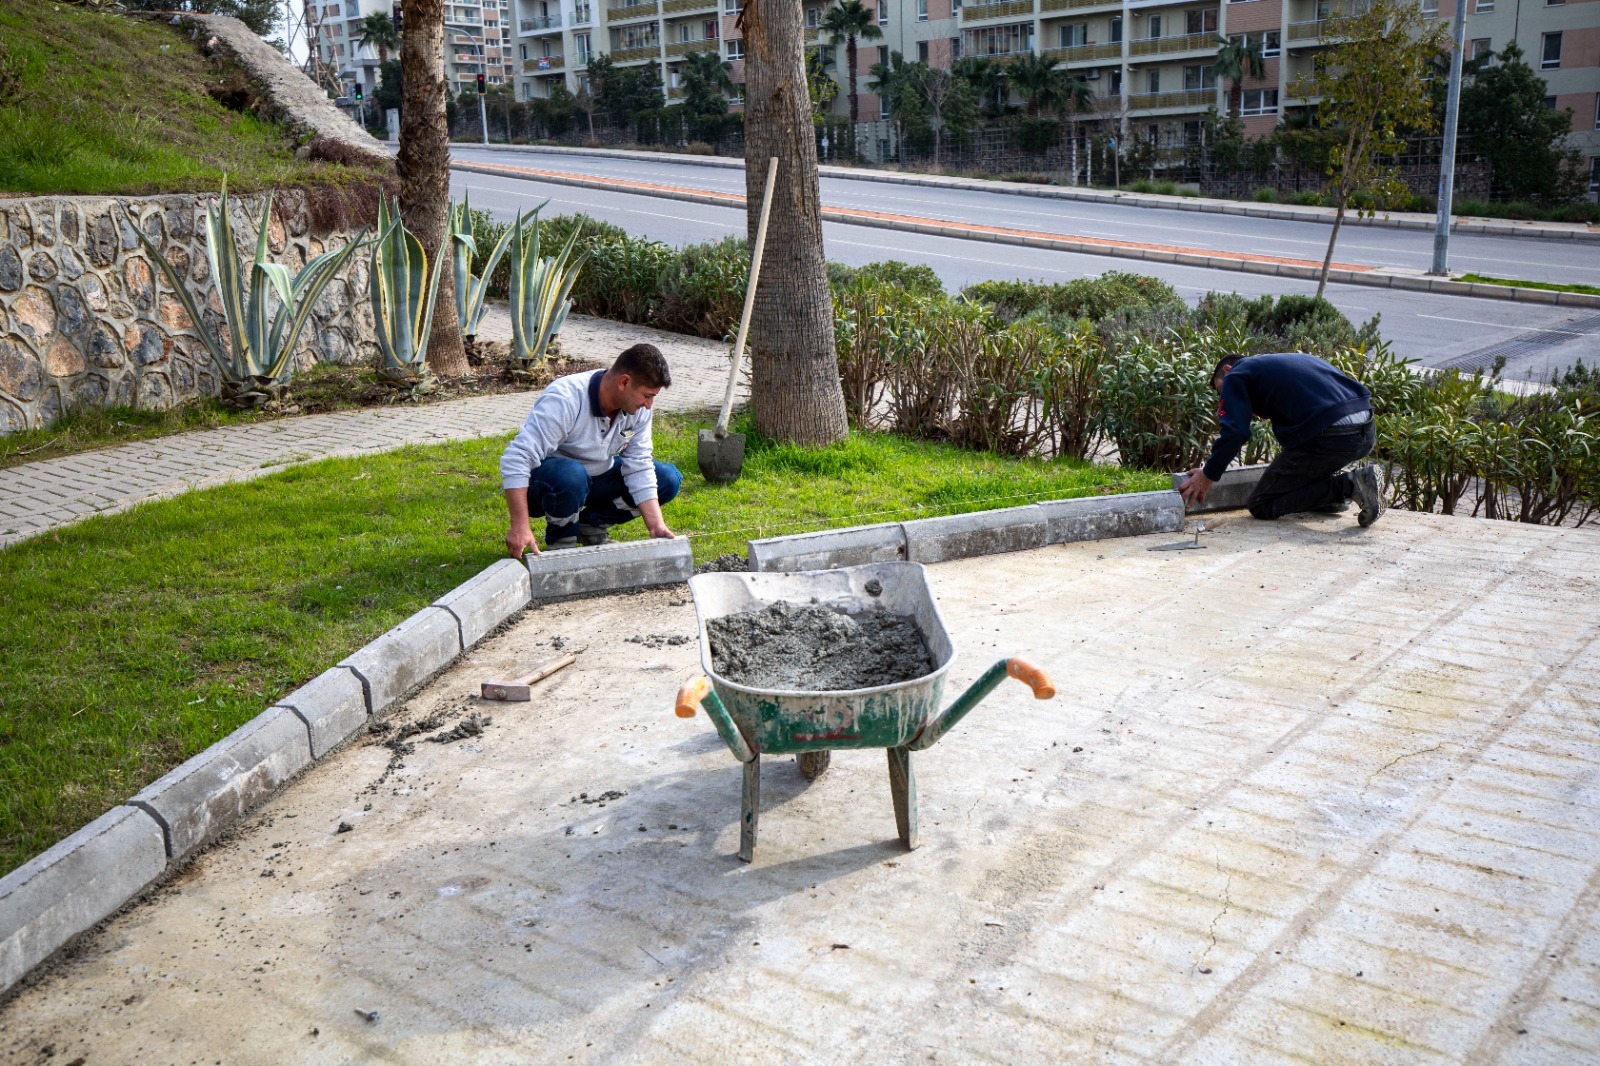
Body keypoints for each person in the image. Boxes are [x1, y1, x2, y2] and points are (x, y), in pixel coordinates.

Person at [501, 343, 683, 557]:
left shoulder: (637, 409)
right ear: (624, 382)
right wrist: (519, 526)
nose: (649, 405)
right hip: (547, 485)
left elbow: (639, 464)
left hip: (594, 478)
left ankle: (591, 526)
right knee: (571, 474)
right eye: (647, 395)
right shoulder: (565, 398)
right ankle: (562, 545)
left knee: (668, 478)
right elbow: (516, 458)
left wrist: (656, 527)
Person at [1179, 351, 1385, 527]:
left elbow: (1235, 432)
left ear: (1226, 370)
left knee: (1261, 504)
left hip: (1332, 434)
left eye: (1219, 390)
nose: (1223, 396)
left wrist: (1208, 475)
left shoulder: (1235, 375)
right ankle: (1331, 495)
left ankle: (1350, 486)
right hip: (1365, 429)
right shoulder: (1281, 363)